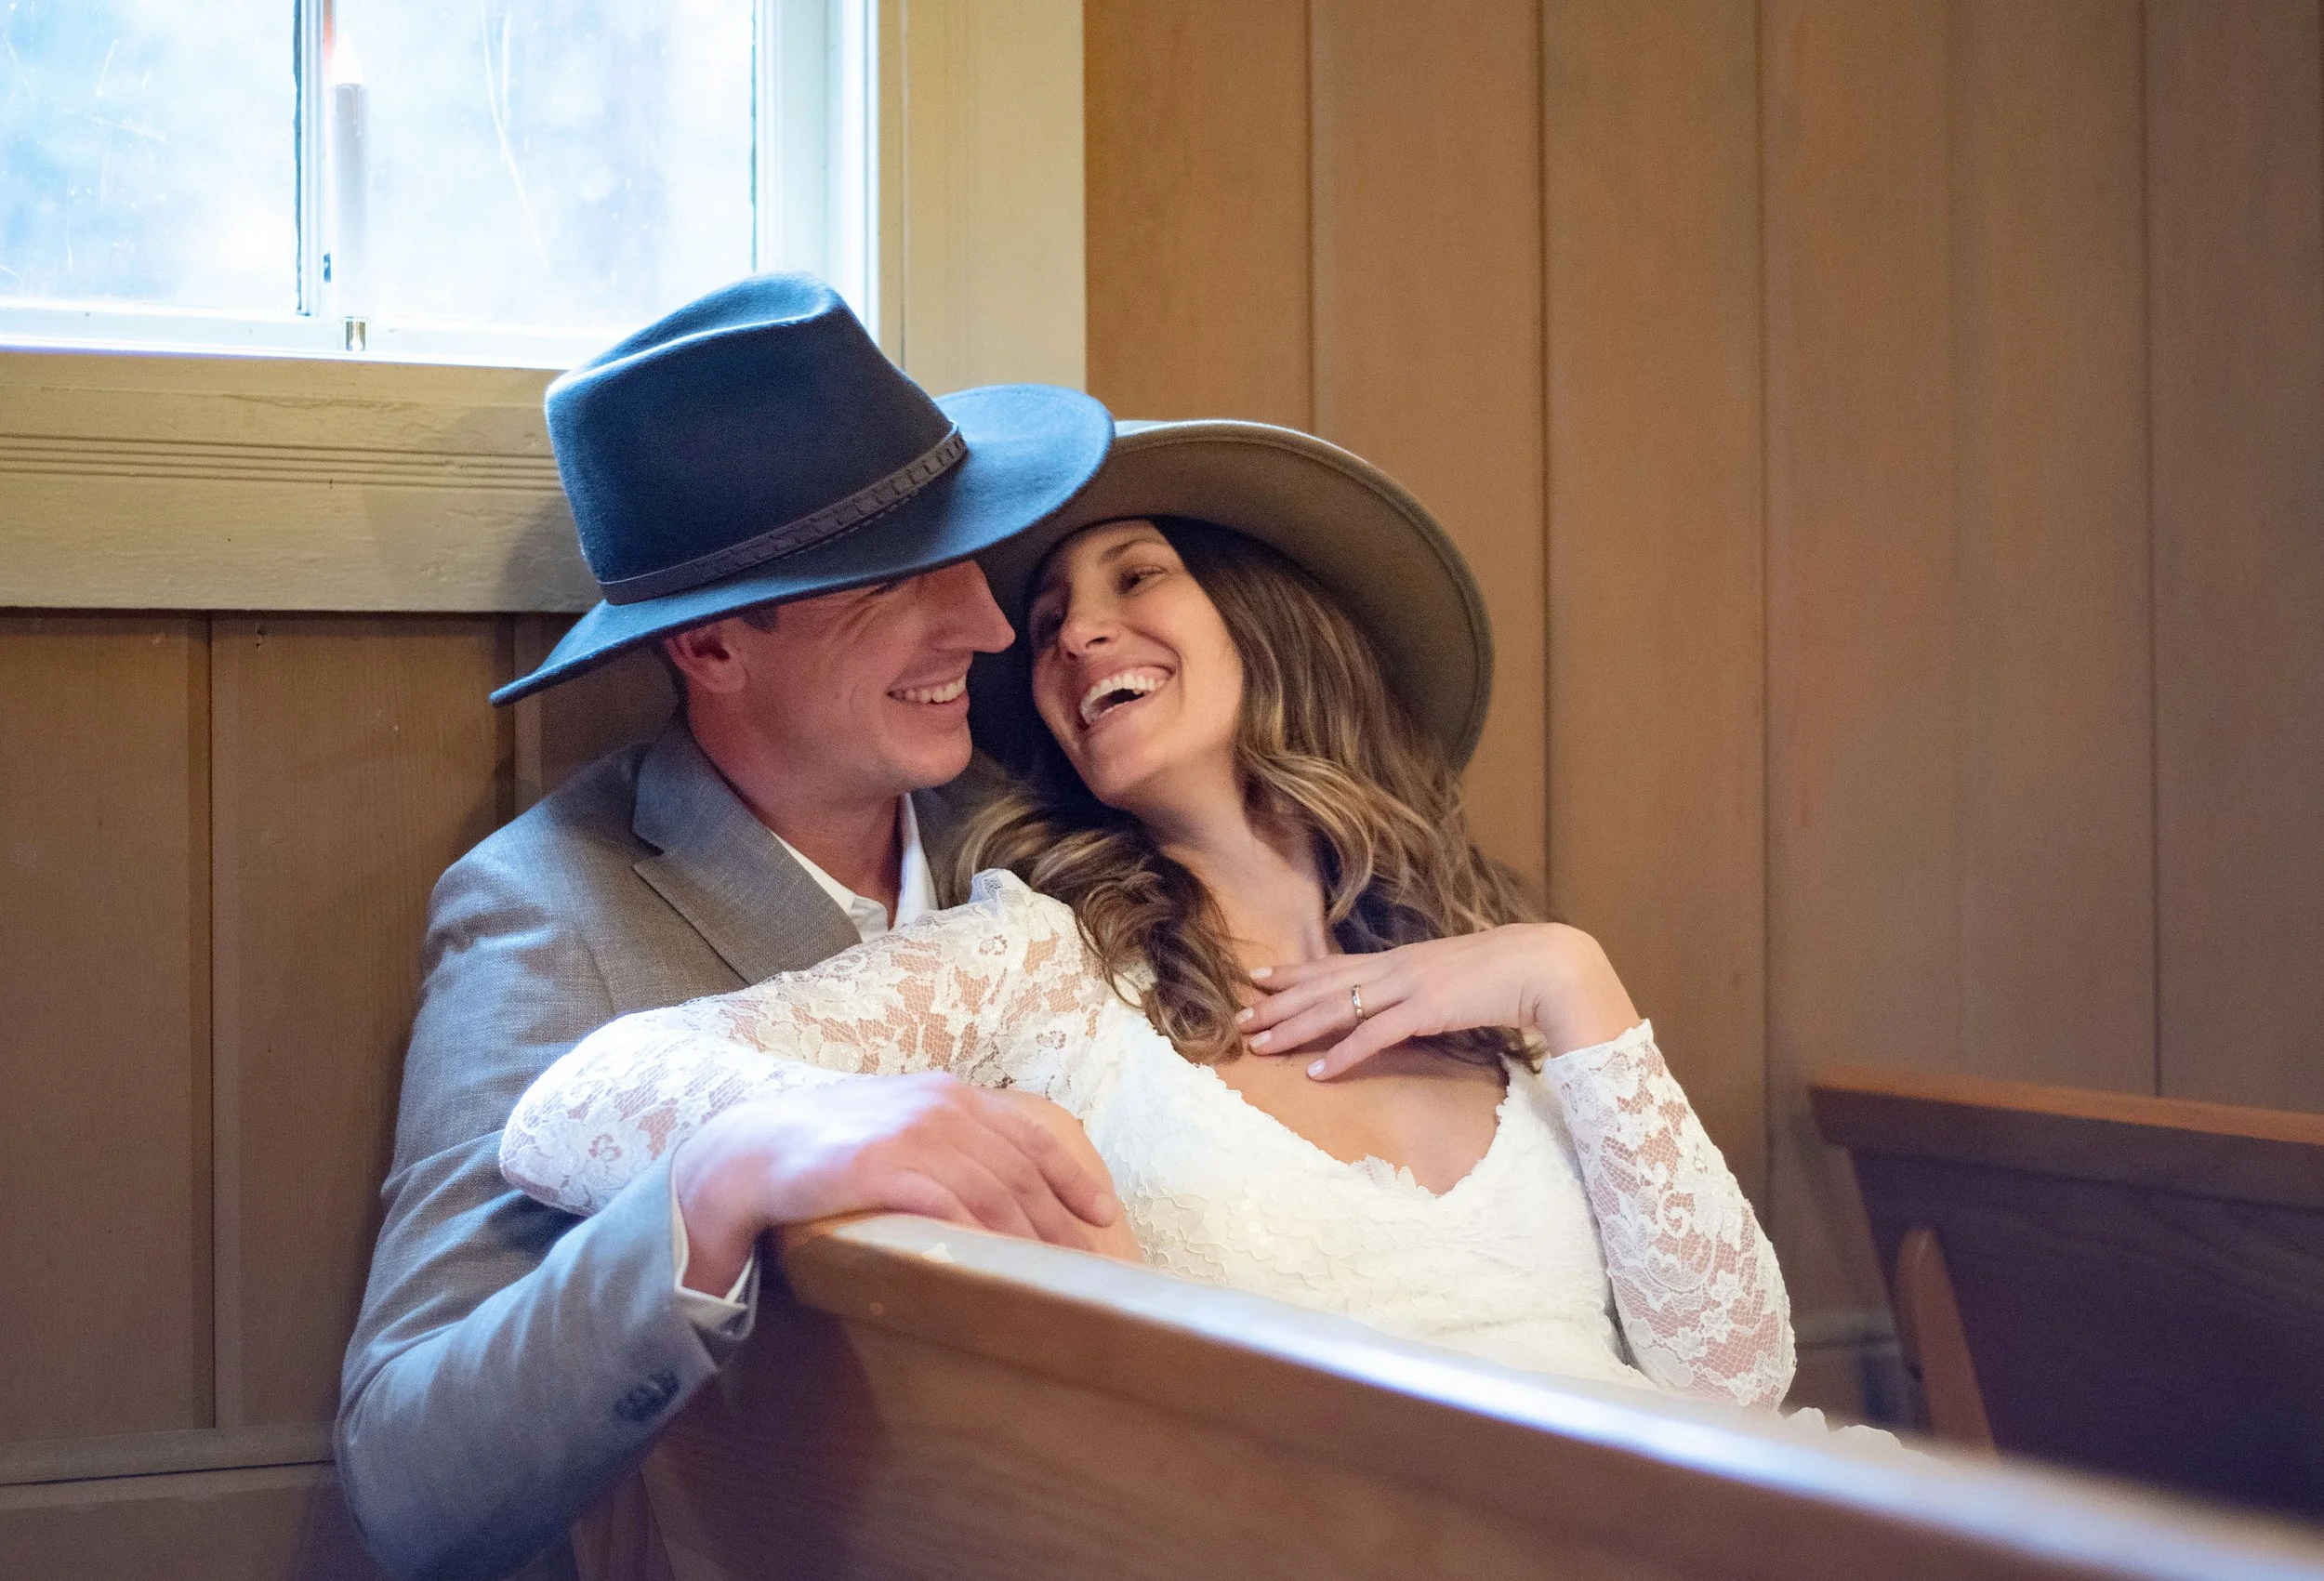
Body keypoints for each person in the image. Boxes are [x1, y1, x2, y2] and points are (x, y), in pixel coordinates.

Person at [496, 420, 1796, 1409]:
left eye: (1138, 580)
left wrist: (1572, 982)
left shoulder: (1496, 982)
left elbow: (1731, 1389)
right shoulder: (1043, 958)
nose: (1075, 638)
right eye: (1053, 620)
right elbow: (571, 1109)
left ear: (1271, 621)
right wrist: (898, 1129)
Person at [335, 273, 1125, 1581]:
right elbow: (409, 1481)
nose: (985, 627)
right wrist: (714, 1183)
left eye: (972, 559)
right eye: (896, 581)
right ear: (709, 649)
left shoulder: (1048, 827)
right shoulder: (550, 911)